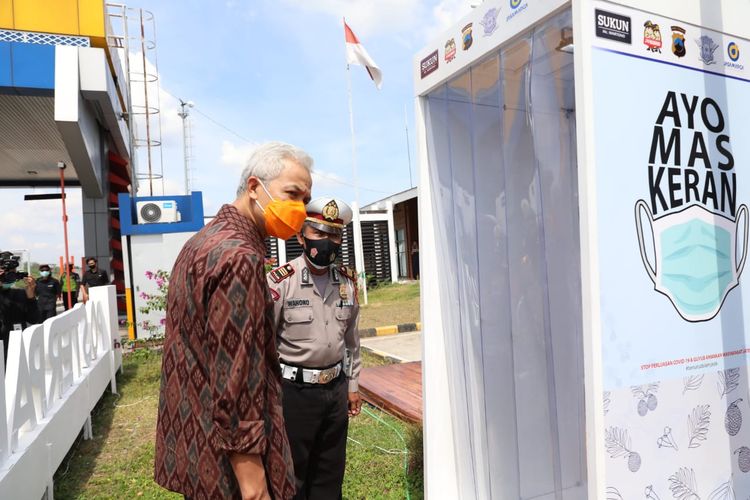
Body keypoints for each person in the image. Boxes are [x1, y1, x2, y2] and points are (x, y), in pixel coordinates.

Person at [155, 142, 312, 500]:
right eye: (292, 193)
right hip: (230, 468)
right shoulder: (239, 257)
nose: (300, 208)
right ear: (255, 187)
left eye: (305, 199)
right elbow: (237, 377)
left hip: (197, 446)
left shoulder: (202, 242)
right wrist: (254, 485)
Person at [267, 197, 362, 500]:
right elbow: (263, 342)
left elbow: (352, 340)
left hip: (335, 390)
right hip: (293, 393)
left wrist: (353, 385)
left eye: (334, 236)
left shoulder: (346, 282)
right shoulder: (281, 282)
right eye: (319, 234)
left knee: (330, 475)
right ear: (301, 236)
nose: (327, 242)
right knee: (292, 476)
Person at [0, 251, 39, 365]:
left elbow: (33, 319)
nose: (10, 276)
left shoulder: (21, 294)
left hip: (17, 351)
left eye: (13, 273)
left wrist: (31, 296)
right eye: (6, 272)